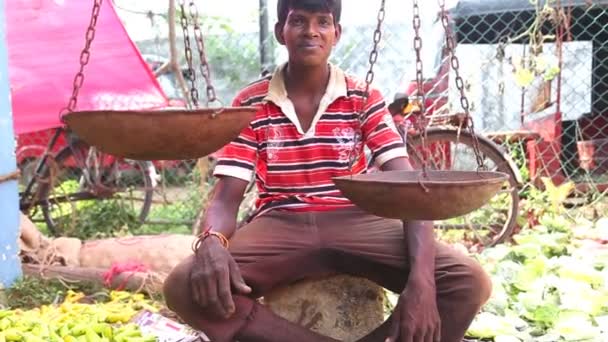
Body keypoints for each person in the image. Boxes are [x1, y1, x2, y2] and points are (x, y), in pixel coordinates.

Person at [163, 1, 492, 341]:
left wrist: (422, 282)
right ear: (280, 32)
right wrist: (211, 243)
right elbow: (226, 200)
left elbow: (410, 187)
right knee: (184, 286)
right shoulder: (252, 102)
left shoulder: (362, 97)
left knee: (468, 282)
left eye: (323, 21)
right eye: (299, 21)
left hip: (357, 221)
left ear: (337, 33)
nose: (311, 31)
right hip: (280, 224)